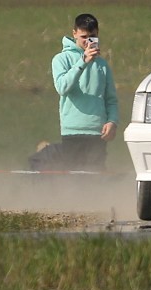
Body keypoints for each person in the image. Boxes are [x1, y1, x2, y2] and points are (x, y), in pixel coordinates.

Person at [37, 12, 119, 172]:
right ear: (74, 33)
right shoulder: (61, 59)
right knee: (73, 177)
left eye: (92, 37)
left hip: (98, 132)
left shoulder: (102, 65)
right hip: (73, 131)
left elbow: (111, 99)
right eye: (84, 37)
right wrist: (83, 62)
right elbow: (62, 87)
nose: (88, 41)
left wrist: (112, 121)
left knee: (95, 177)